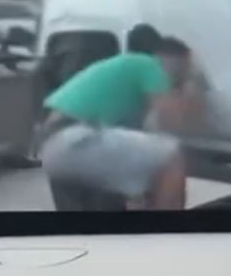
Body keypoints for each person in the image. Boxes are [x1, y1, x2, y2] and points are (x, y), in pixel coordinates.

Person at [38, 28, 198, 210]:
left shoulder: (122, 76)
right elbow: (170, 124)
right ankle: (165, 235)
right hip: (74, 139)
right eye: (184, 67)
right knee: (172, 155)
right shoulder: (149, 64)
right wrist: (188, 86)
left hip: (54, 145)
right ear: (172, 60)